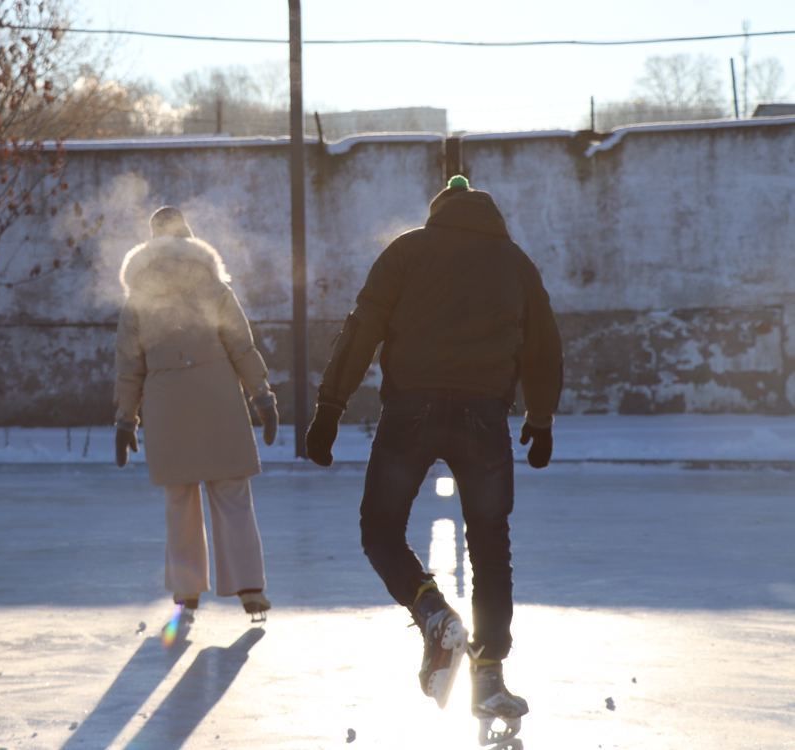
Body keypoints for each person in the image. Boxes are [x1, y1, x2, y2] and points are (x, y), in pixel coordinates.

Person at [305, 176, 563, 729]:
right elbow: (544, 343)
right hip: (483, 416)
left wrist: (330, 407)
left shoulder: (407, 250)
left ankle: (431, 612)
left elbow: (362, 327)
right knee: (491, 543)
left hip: (411, 413)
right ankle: (489, 673)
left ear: (437, 212)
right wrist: (540, 418)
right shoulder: (514, 262)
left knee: (380, 529)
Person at [114, 206, 279, 626]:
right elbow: (241, 345)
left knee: (179, 500)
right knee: (232, 495)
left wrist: (125, 418)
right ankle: (250, 589)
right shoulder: (213, 287)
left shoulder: (138, 299)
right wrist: (261, 395)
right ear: (189, 239)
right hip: (218, 397)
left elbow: (129, 365)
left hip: (166, 405)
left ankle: (186, 592)